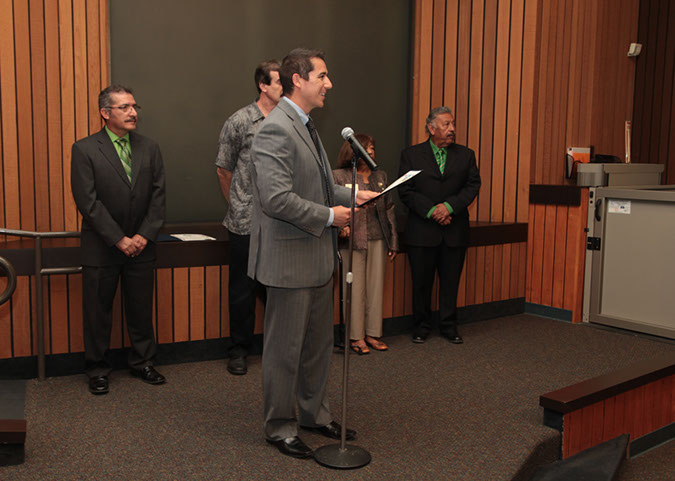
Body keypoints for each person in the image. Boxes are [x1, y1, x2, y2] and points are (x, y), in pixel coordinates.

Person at [248, 48, 378, 459]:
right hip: (289, 262)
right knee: (285, 351)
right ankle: (279, 426)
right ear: (298, 80)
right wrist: (329, 215)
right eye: (322, 76)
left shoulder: (306, 125)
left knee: (318, 346)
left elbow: (318, 185)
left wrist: (358, 195)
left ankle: (312, 413)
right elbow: (276, 199)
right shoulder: (275, 129)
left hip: (318, 261)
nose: (329, 84)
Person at [71, 85, 166, 395]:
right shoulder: (84, 149)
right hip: (102, 247)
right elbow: (88, 203)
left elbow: (158, 198)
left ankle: (143, 363)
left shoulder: (150, 148)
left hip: (142, 245)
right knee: (98, 313)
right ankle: (97, 369)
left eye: (134, 106)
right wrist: (118, 239)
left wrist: (141, 236)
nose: (133, 112)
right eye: (124, 107)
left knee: (141, 309)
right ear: (105, 113)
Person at [215, 60, 282, 376]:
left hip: (282, 223)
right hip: (245, 222)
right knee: (242, 291)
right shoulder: (240, 121)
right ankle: (238, 350)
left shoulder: (291, 122)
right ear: (263, 85)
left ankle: (280, 348)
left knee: (279, 288)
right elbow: (223, 169)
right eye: (280, 82)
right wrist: (237, 205)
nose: (287, 87)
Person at [398, 106, 481, 345]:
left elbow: (472, 186)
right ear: (431, 128)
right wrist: (433, 210)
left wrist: (449, 207)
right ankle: (421, 326)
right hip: (422, 231)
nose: (452, 129)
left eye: (452, 124)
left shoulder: (466, 155)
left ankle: (448, 326)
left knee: (450, 282)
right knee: (421, 283)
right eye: (446, 125)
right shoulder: (411, 155)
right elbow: (406, 190)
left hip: (454, 230)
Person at [332, 134, 398, 354]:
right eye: (366, 148)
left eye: (372, 148)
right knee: (354, 289)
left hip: (378, 237)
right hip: (352, 239)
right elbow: (332, 205)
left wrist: (393, 240)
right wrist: (342, 228)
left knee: (375, 287)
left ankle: (372, 333)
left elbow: (389, 209)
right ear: (353, 150)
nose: (371, 152)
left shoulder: (380, 176)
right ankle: (355, 336)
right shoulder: (339, 176)